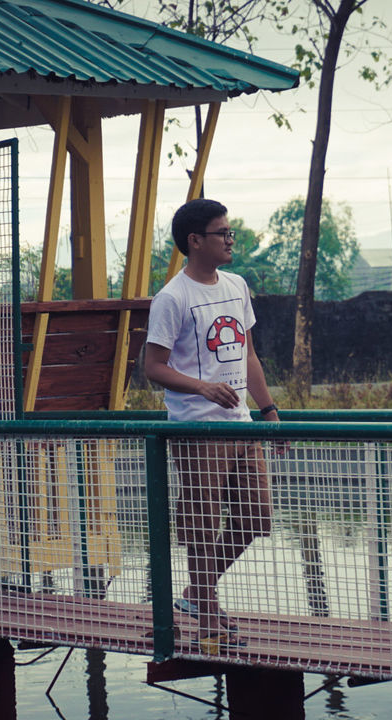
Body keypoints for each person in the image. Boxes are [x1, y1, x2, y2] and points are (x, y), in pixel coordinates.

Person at [143, 198, 281, 651]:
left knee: (256, 516)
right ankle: (207, 611)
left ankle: (194, 595)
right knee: (201, 523)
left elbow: (248, 354)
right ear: (195, 241)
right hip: (197, 429)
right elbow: (153, 367)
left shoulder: (237, 285)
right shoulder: (173, 297)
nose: (229, 239)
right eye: (221, 232)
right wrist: (201, 388)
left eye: (230, 231)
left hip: (241, 424)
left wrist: (267, 409)